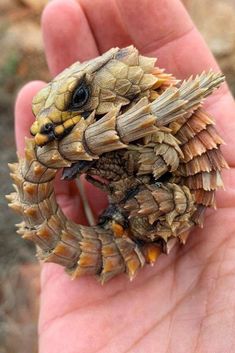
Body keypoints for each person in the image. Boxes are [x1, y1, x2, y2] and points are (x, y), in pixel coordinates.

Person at [15, 0, 235, 352]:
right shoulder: (121, 116)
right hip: (128, 217)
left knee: (158, 174)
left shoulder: (159, 110)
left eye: (82, 97)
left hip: (171, 205)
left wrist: (109, 160)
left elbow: (163, 158)